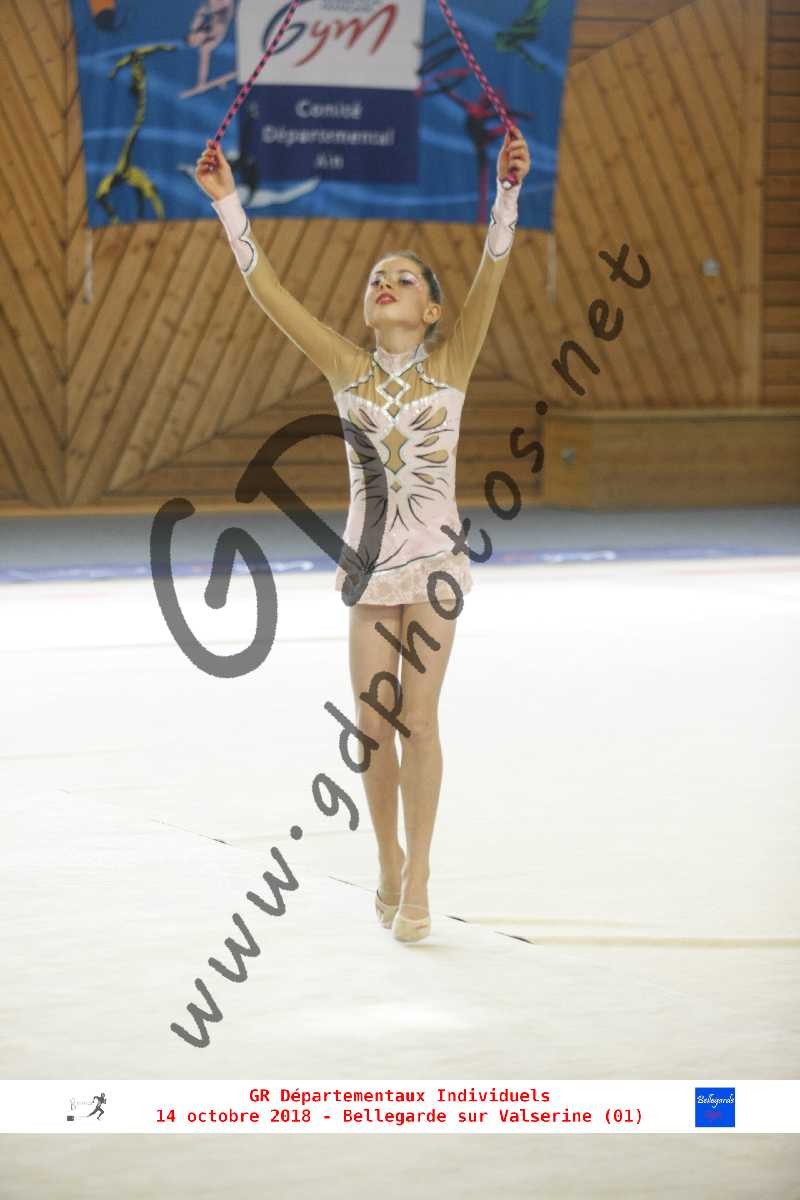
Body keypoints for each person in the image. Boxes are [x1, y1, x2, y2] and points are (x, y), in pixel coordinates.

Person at [195, 126, 531, 942]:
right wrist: (229, 203)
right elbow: (272, 295)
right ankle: (386, 856)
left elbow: (492, 271)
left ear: (431, 309)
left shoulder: (453, 361)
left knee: (421, 717)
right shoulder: (345, 366)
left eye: (404, 278)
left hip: (437, 565)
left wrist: (507, 192)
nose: (386, 283)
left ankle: (421, 873)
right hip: (370, 569)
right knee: (372, 725)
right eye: (377, 277)